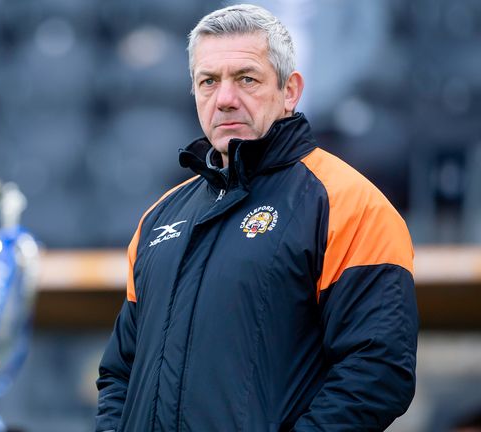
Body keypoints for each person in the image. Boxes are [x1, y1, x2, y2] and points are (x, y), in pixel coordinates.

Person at [95, 4, 418, 432]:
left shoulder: (351, 204)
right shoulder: (159, 219)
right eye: (208, 82)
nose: (225, 99)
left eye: (246, 79)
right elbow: (120, 374)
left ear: (290, 91)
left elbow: (377, 373)